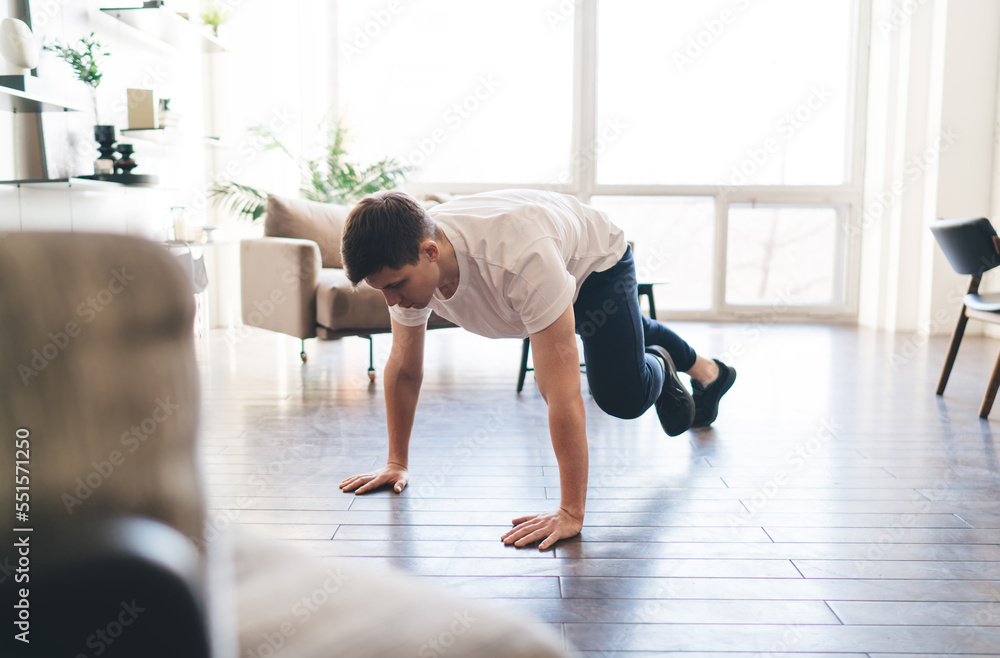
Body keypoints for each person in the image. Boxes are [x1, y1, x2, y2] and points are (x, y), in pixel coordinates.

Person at [337, 189, 736, 550]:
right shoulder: (409, 269)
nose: (392, 300)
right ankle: (710, 373)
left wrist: (570, 513)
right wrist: (396, 462)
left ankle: (661, 367)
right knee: (619, 334)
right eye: (382, 290)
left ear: (430, 252)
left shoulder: (521, 263)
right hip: (548, 256)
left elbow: (560, 393)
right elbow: (405, 369)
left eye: (397, 285)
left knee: (621, 395)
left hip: (594, 264)